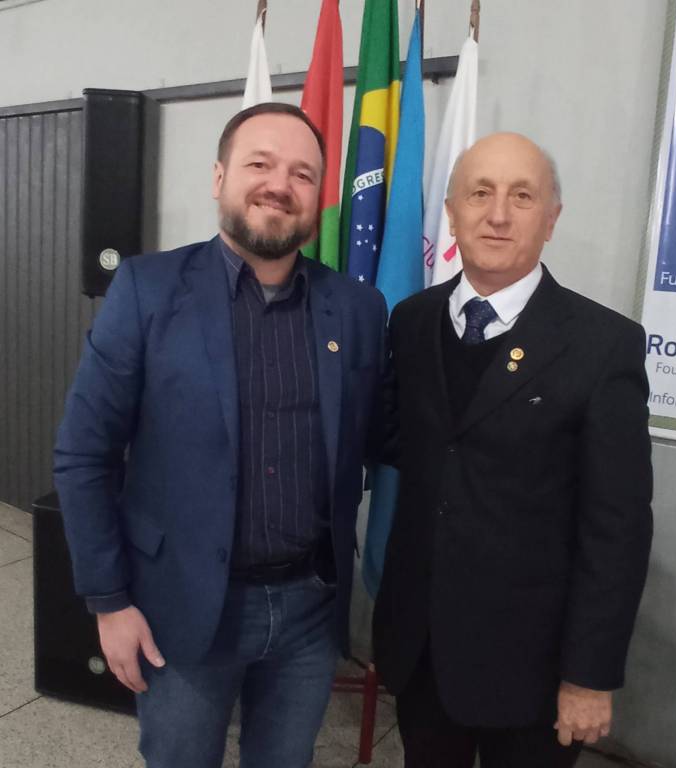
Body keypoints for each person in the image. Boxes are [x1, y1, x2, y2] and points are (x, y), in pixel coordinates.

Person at [54, 102, 388, 768]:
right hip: (179, 607)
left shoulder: (357, 308)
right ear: (219, 177)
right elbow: (84, 454)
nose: (279, 185)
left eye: (301, 173)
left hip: (309, 610)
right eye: (259, 163)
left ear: (318, 196)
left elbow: (378, 436)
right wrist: (109, 601)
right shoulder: (147, 290)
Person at [372, 132, 653, 768]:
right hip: (422, 649)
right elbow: (407, 446)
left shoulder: (603, 345)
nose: (498, 214)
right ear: (451, 213)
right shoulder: (411, 322)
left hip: (534, 670)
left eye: (522, 196)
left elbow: (618, 528)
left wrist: (589, 676)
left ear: (551, 219)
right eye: (480, 193)